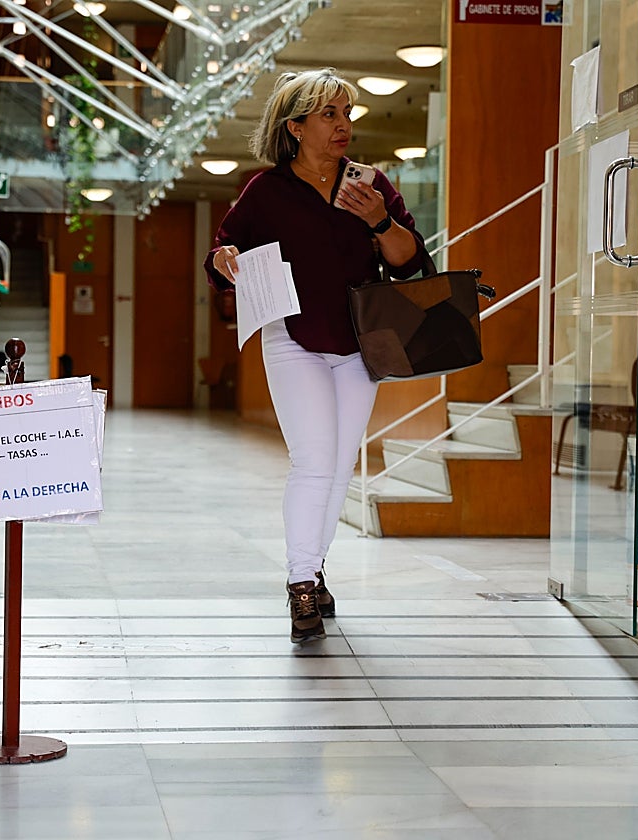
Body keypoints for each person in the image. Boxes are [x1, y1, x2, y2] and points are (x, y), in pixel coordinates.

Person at [203, 68, 435, 644]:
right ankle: (301, 583)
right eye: (329, 113)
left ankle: (313, 565)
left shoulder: (370, 184)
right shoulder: (266, 190)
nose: (342, 124)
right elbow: (221, 252)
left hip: (360, 343)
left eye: (346, 113)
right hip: (292, 338)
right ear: (296, 126)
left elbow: (412, 263)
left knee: (339, 465)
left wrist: (378, 219)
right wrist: (225, 258)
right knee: (312, 462)